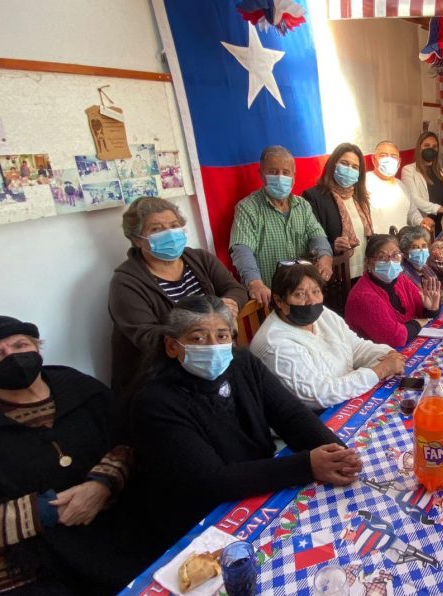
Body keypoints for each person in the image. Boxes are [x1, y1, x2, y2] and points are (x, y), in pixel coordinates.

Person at [131, 296, 359, 546]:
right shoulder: (156, 402)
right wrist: (308, 466)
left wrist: (337, 453)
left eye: (222, 336)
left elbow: (290, 414)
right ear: (172, 346)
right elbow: (212, 480)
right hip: (204, 515)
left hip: (260, 481)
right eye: (198, 338)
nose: (212, 346)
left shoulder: (242, 362)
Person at [0, 316, 149, 594]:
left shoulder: (77, 387)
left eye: (20, 345)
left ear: (38, 349)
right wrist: (50, 511)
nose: (12, 357)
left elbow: (130, 440)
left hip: (109, 524)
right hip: (27, 558)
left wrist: (102, 483)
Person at [110, 197, 247, 394]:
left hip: (213, 359)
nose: (169, 233)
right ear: (138, 239)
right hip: (162, 376)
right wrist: (206, 328)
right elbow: (148, 337)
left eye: (174, 225)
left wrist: (228, 304)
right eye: (156, 229)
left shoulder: (200, 258)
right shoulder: (126, 282)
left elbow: (236, 289)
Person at [250, 263, 405, 410]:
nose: (311, 301)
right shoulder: (274, 344)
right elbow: (320, 394)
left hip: (344, 400)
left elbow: (355, 347)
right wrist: (380, 371)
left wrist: (386, 355)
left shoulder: (322, 314)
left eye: (316, 291)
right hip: (310, 421)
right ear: (279, 300)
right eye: (300, 294)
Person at [230, 145, 334, 308]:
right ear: (262, 175)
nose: (280, 177)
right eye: (273, 172)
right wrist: (254, 282)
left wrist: (325, 257)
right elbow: (242, 249)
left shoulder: (303, 205)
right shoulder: (247, 208)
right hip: (272, 299)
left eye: (285, 173)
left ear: (293, 176)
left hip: (306, 295)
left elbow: (317, 236)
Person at [345, 235, 441, 348]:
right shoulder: (363, 297)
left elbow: (422, 312)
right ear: (368, 263)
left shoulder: (400, 279)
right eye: (382, 257)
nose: (390, 262)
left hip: (404, 347)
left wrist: (430, 309)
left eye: (395, 255)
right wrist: (418, 322)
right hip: (376, 358)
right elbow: (395, 338)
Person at [303, 143, 374, 280]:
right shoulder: (314, 196)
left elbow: (367, 235)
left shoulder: (360, 198)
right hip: (336, 278)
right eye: (344, 163)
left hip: (365, 274)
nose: (349, 169)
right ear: (333, 164)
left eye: (354, 167)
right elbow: (308, 241)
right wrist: (332, 246)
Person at [366, 140, 430, 234]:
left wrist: (420, 221)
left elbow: (411, 212)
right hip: (377, 244)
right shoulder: (364, 183)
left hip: (401, 243)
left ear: (399, 162)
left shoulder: (402, 186)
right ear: (373, 159)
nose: (389, 160)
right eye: (383, 155)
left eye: (393, 156)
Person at [401, 131, 443, 234]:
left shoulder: (441, 172)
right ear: (419, 147)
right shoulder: (408, 170)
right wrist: (440, 209)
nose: (430, 149)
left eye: (434, 146)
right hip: (423, 225)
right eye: (426, 145)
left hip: (442, 224)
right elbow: (414, 199)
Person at [398, 226, 439, 290]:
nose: (421, 250)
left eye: (424, 246)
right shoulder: (402, 274)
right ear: (405, 253)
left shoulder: (426, 268)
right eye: (415, 247)